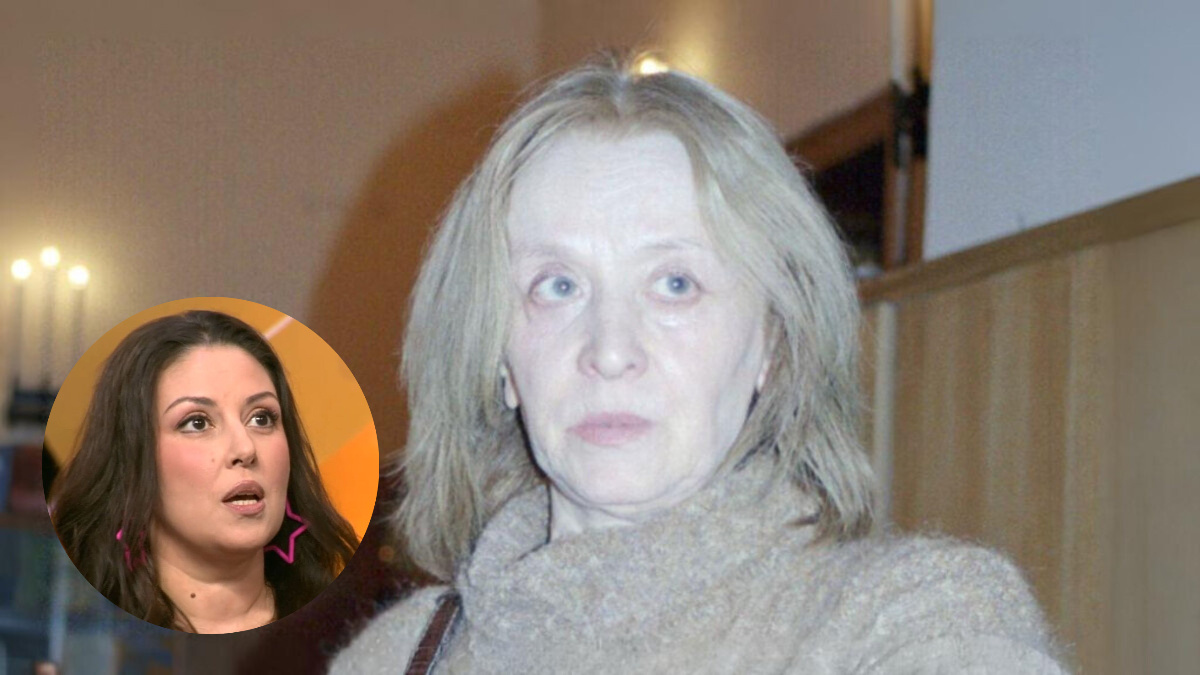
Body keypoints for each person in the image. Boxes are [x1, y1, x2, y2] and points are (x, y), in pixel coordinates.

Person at [332, 54, 1068, 672]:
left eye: (676, 284)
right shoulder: (393, 658)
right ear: (497, 353)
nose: (610, 351)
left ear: (773, 344)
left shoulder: (918, 620)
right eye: (557, 286)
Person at [51, 310, 358, 633]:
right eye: (197, 423)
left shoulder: (347, 624)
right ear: (132, 457)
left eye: (261, 418)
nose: (245, 449)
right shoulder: (80, 631)